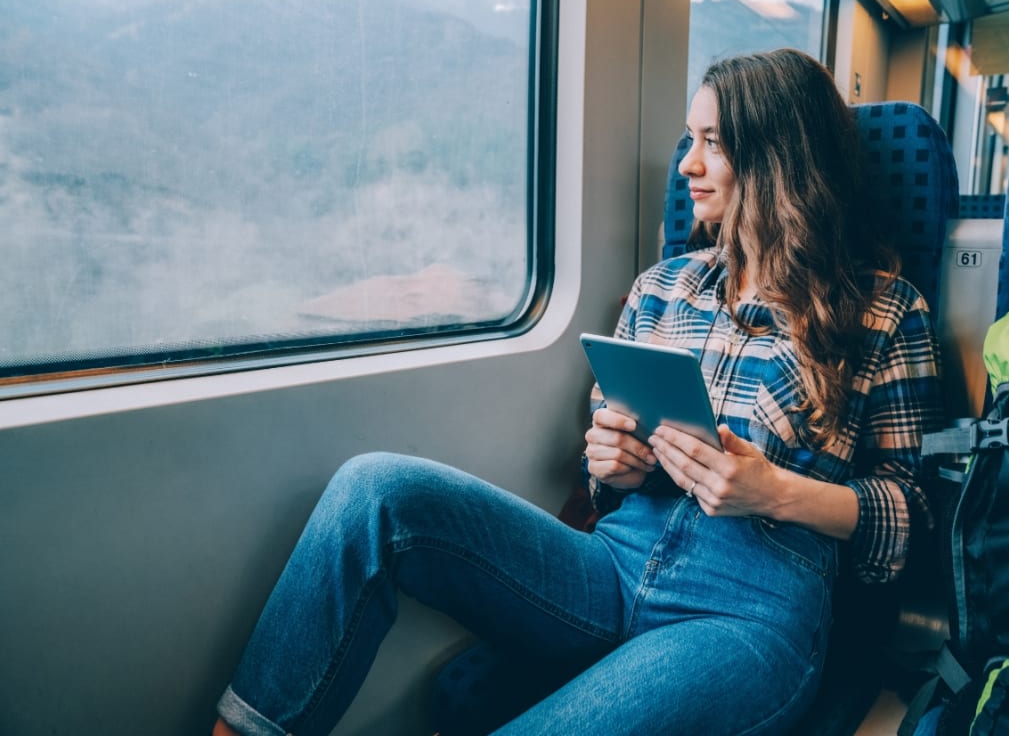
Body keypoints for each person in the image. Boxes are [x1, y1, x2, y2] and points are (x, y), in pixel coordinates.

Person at [214, 48, 943, 736]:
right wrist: (609, 465)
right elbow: (608, 474)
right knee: (374, 489)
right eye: (688, 140)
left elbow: (910, 517)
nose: (686, 164)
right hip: (609, 565)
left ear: (778, 158)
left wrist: (774, 491)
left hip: (748, 612)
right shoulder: (662, 289)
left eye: (712, 143)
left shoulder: (885, 310)